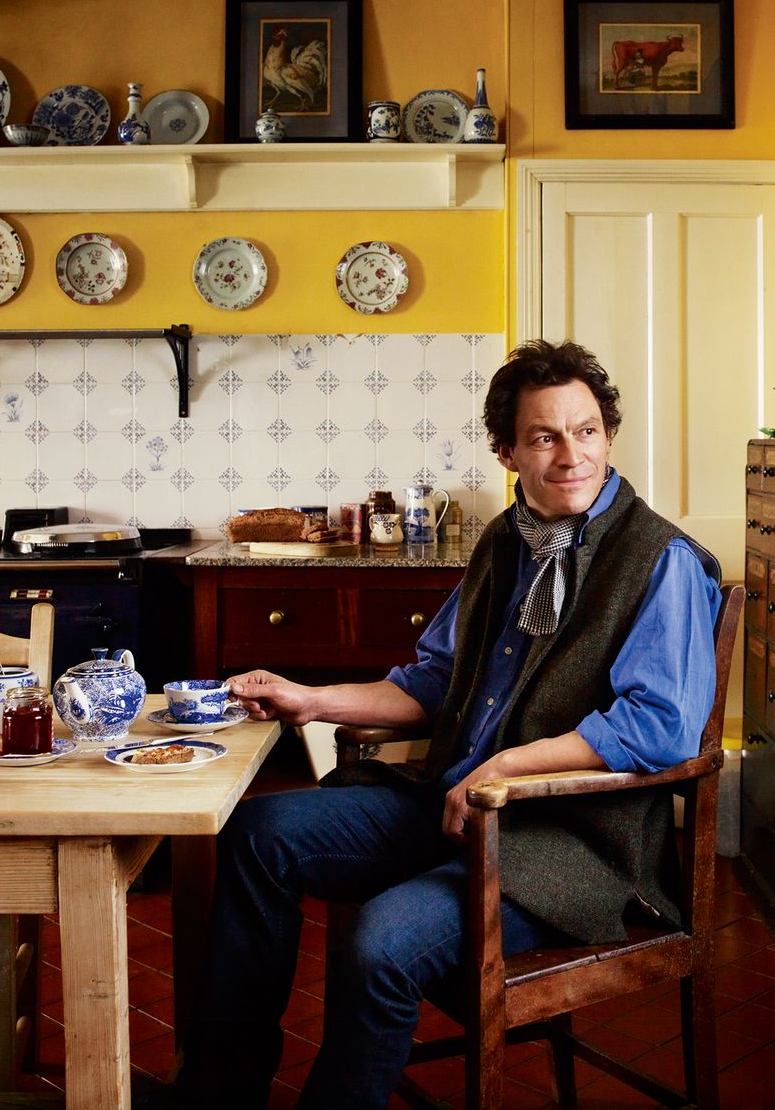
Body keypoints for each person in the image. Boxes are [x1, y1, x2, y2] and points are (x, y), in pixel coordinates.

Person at [170, 340, 721, 1110]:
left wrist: (503, 769)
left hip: (565, 843)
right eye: (544, 436)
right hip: (451, 801)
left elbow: (659, 725)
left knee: (380, 945)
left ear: (608, 433)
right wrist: (311, 697)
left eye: (587, 430)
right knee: (259, 837)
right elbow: (432, 681)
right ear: (507, 451)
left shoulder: (661, 559)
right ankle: (219, 1093)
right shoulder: (506, 541)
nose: (571, 455)